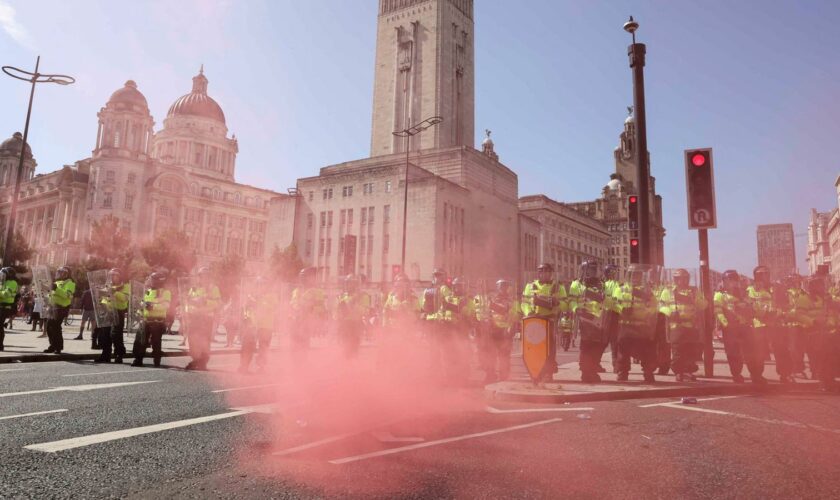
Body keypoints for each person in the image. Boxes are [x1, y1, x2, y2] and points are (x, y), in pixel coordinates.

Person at [714, 270, 765, 385]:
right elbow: (718, 311)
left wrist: (751, 311)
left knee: (751, 352)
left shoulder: (744, 293)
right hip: (730, 329)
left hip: (745, 326)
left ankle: (756, 375)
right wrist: (725, 324)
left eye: (734, 280)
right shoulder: (719, 295)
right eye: (729, 280)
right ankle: (736, 375)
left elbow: (752, 307)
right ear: (724, 282)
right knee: (733, 354)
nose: (732, 283)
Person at [658, 268, 707, 381]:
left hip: (691, 325)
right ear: (676, 280)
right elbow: (661, 305)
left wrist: (696, 299)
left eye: (685, 279)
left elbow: (703, 305)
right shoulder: (668, 291)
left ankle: (688, 372)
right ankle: (678, 372)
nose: (683, 281)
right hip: (676, 325)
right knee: (678, 350)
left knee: (690, 350)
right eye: (680, 279)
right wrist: (670, 312)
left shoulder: (694, 291)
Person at [613, 265, 659, 383]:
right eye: (633, 275)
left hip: (642, 327)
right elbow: (614, 304)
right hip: (625, 327)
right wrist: (621, 309)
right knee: (623, 353)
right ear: (629, 276)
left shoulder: (647, 291)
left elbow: (654, 306)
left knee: (646, 352)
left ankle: (648, 373)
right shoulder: (621, 289)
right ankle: (622, 373)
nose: (635, 277)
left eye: (638, 275)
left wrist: (647, 313)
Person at [521, 263, 566, 381]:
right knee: (534, 347)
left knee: (550, 348)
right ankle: (535, 371)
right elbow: (524, 303)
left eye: (547, 272)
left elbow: (565, 304)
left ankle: (548, 372)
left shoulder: (558, 286)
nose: (544, 274)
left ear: (551, 273)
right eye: (541, 272)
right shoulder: (530, 286)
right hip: (534, 320)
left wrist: (558, 303)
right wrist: (528, 312)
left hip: (550, 320)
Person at [748, 266, 792, 383]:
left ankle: (785, 374)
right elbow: (750, 307)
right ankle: (756, 376)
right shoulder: (751, 290)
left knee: (781, 349)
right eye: (761, 274)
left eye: (766, 274)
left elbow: (785, 305)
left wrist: (779, 313)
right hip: (759, 324)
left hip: (775, 324)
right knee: (758, 352)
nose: (764, 277)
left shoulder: (777, 288)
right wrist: (763, 314)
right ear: (755, 276)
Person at [569, 261, 611, 383]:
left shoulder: (603, 285)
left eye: (594, 269)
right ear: (584, 270)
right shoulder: (577, 284)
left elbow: (609, 302)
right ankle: (586, 372)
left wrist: (605, 299)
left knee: (597, 347)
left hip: (599, 320)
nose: (592, 272)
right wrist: (576, 308)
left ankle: (591, 370)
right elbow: (572, 300)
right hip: (584, 319)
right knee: (586, 346)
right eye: (590, 270)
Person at [474, 279, 520, 383]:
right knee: (490, 355)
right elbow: (483, 312)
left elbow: (516, 315)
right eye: (501, 286)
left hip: (505, 331)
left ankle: (504, 376)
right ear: (497, 287)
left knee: (504, 355)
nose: (503, 289)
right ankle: (490, 375)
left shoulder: (513, 300)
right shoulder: (491, 299)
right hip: (492, 330)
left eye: (505, 286)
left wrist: (510, 324)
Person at [184, 267, 222, 371]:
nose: (204, 278)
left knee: (204, 342)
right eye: (201, 276)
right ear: (199, 277)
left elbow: (218, 304)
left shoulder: (213, 288)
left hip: (206, 319)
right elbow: (188, 301)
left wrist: (205, 302)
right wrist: (187, 311)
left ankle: (202, 362)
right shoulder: (194, 288)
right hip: (194, 318)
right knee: (192, 340)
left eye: (206, 276)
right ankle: (196, 359)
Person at [133, 272, 171, 367]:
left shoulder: (165, 292)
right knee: (140, 341)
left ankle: (156, 360)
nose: (150, 281)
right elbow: (143, 303)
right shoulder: (148, 290)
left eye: (153, 279)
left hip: (157, 321)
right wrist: (139, 312)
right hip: (145, 320)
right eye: (151, 279)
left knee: (156, 342)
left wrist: (152, 306)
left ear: (158, 281)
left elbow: (166, 306)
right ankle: (138, 359)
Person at [240, 277, 277, 372]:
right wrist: (246, 316)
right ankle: (244, 365)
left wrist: (256, 302)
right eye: (258, 285)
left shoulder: (271, 296)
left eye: (263, 285)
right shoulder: (252, 296)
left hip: (266, 326)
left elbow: (270, 307)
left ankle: (261, 366)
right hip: (252, 325)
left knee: (263, 347)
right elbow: (246, 309)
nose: (260, 287)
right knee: (247, 345)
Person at [97, 269, 130, 364]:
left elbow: (125, 299)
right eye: (110, 275)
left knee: (116, 335)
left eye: (114, 275)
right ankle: (105, 354)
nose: (112, 277)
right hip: (108, 312)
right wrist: (101, 301)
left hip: (118, 312)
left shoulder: (126, 286)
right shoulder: (109, 286)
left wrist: (114, 292)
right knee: (105, 334)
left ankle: (119, 354)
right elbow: (105, 299)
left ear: (119, 276)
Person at [289, 267, 326, 352]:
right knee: (294, 347)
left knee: (303, 346)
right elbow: (292, 304)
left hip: (307, 323)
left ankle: (303, 363)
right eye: (302, 277)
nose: (303, 280)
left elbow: (321, 308)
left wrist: (310, 308)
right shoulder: (296, 291)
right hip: (295, 322)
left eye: (305, 277)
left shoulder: (316, 292)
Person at [334, 274, 371, 358]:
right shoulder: (342, 296)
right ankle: (345, 367)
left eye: (351, 283)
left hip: (355, 324)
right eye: (347, 283)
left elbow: (366, 311)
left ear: (356, 284)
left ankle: (353, 367)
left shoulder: (362, 296)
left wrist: (355, 306)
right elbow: (335, 312)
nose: (348, 285)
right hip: (344, 325)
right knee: (344, 349)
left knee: (354, 349)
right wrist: (339, 311)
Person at [0, 267, 18, 351]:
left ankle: (0, 345)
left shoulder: (12, 283)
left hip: (6, 307)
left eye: (4, 274)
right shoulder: (3, 283)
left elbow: (6, 294)